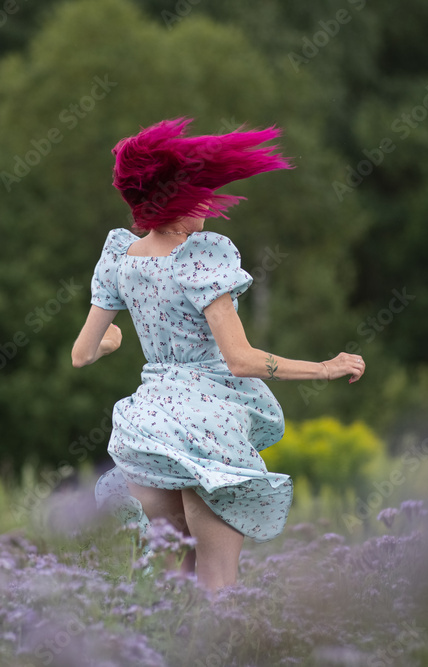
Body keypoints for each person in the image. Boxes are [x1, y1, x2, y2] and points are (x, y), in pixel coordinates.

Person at [71, 118, 365, 590]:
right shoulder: (201, 259)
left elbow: (82, 354)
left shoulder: (121, 259)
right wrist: (325, 369)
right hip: (209, 428)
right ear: (173, 201)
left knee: (167, 587)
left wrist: (113, 341)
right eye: (198, 192)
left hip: (149, 428)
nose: (208, 200)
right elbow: (240, 361)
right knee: (217, 589)